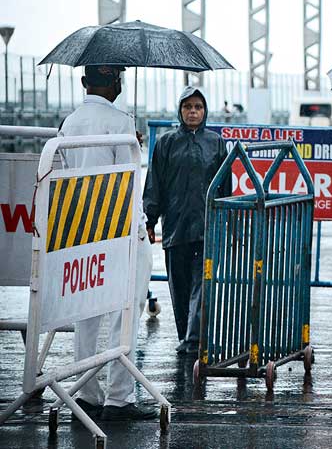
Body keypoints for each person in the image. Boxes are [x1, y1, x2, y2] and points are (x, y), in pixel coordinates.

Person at [58, 65, 156, 421]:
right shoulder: (121, 122)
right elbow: (128, 188)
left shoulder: (69, 123)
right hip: (120, 231)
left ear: (84, 82)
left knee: (86, 313)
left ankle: (86, 394)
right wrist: (141, 229)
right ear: (116, 81)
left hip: (82, 231)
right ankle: (119, 397)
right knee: (125, 311)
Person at [143, 86, 230, 355]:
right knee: (179, 288)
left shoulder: (216, 143)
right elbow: (154, 184)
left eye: (198, 107)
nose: (193, 112)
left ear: (205, 112)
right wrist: (150, 218)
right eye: (188, 107)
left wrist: (228, 220)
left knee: (201, 285)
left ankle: (194, 340)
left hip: (207, 227)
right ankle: (186, 337)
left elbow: (225, 186)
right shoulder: (166, 143)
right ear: (180, 111)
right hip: (175, 228)